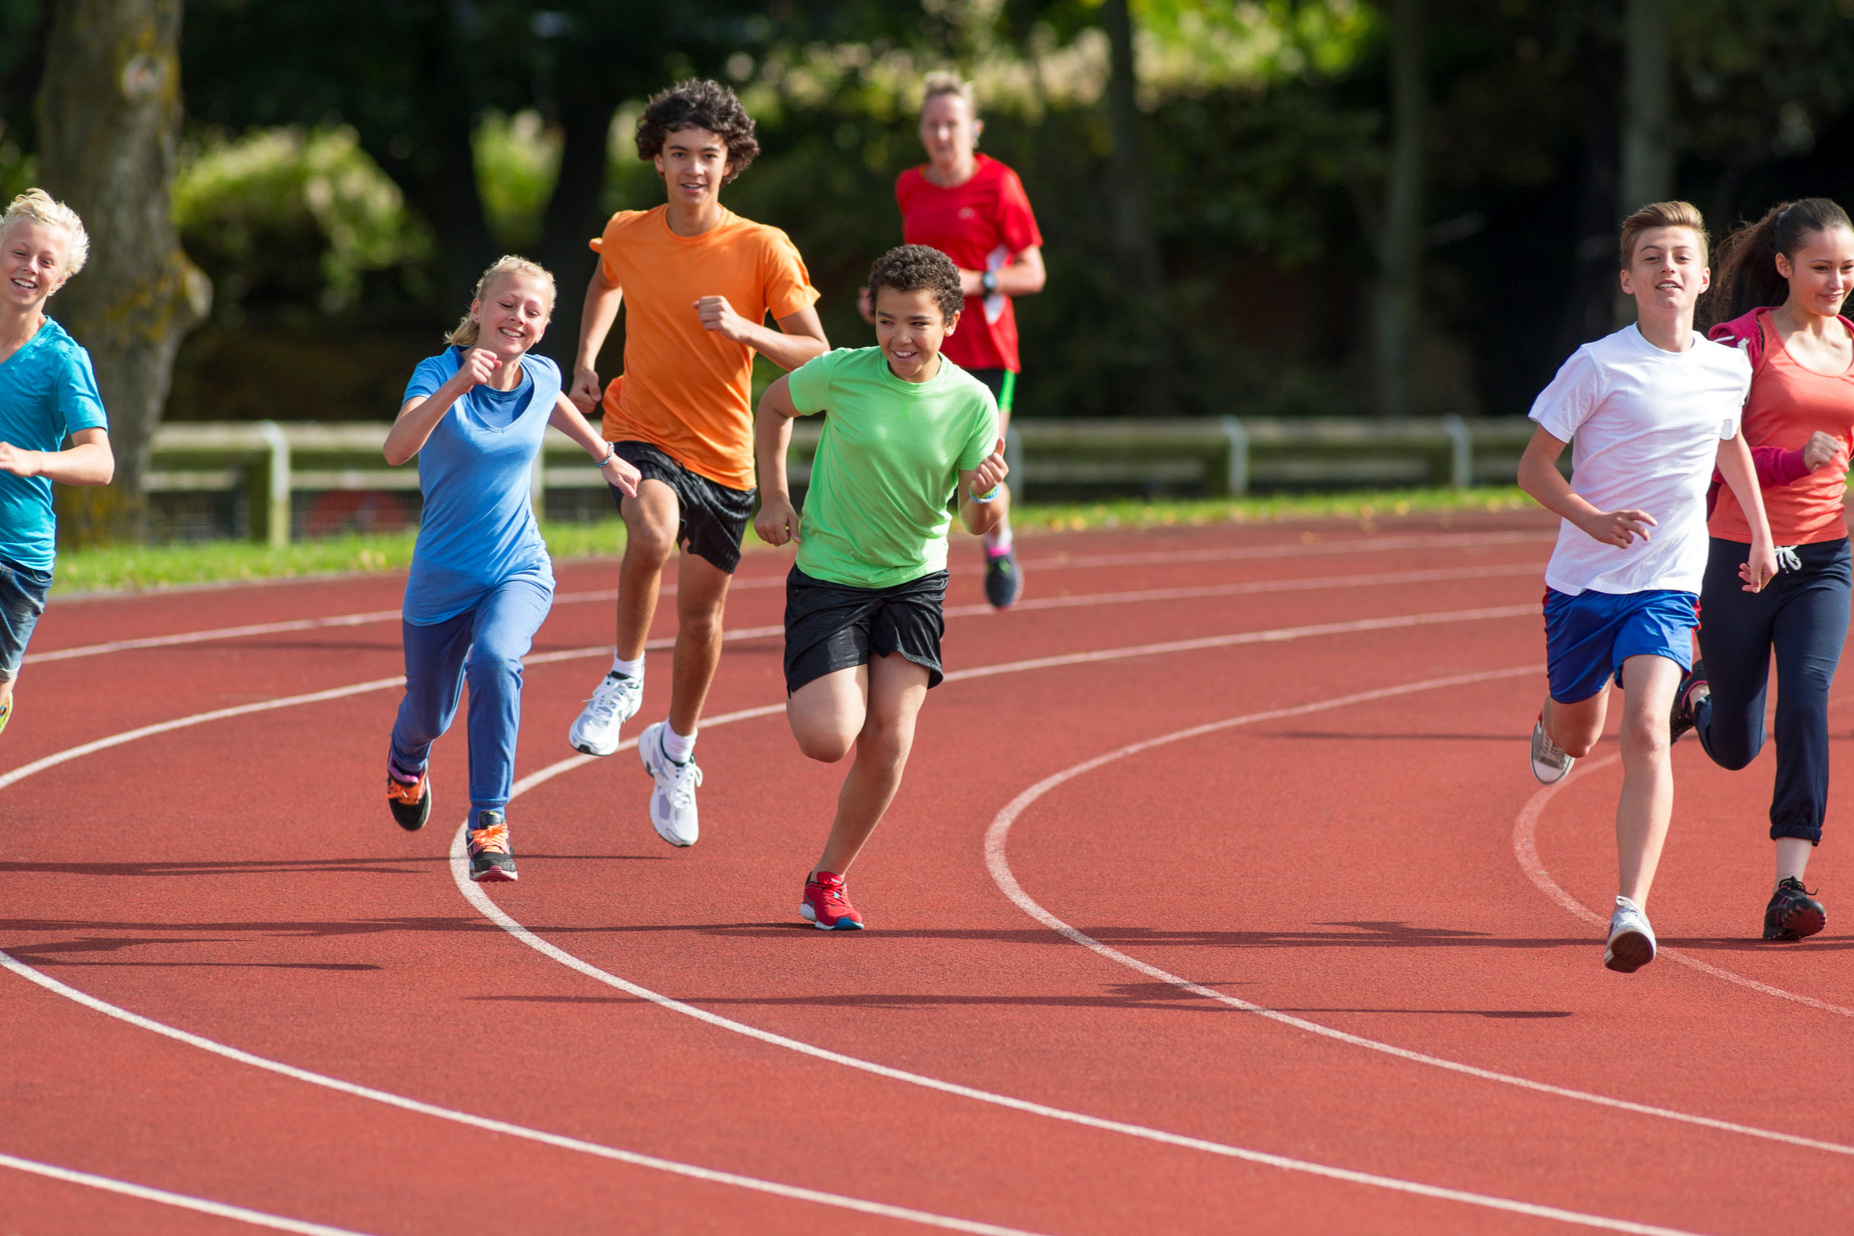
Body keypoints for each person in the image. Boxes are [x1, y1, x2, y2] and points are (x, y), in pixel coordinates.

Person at [566, 78, 828, 849]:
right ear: (657, 159)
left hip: (726, 455)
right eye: (678, 154)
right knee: (649, 530)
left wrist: (748, 329)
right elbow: (604, 279)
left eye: (707, 156)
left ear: (730, 163)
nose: (692, 170)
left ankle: (675, 751)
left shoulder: (761, 247)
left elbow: (817, 350)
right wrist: (585, 357)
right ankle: (622, 678)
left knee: (702, 617)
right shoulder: (629, 231)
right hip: (643, 428)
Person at [1519, 200, 1777, 973]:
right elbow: (1535, 468)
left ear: (1704, 277)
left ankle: (1630, 909)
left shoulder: (1728, 366)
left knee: (1644, 729)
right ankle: (1551, 721)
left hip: (1665, 582)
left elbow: (1729, 445)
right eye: (1652, 258)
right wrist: (1591, 519)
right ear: (1629, 279)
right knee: (1579, 734)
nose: (1668, 268)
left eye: (1681, 257)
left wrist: (1762, 534)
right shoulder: (1596, 365)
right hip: (1581, 584)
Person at [755, 244, 1008, 930]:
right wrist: (774, 496)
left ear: (950, 322)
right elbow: (774, 408)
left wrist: (988, 497)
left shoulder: (972, 402)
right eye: (888, 321)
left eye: (918, 323)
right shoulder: (841, 373)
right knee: (829, 738)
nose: (901, 338)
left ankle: (827, 879)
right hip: (831, 576)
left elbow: (978, 521)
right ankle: (835, 684)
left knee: (890, 739)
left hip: (913, 582)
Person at [383, 256, 642, 883]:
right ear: (477, 309)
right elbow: (396, 450)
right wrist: (456, 387)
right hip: (443, 577)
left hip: (517, 566)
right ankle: (405, 758)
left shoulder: (542, 374)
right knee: (430, 714)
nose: (516, 318)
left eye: (533, 311)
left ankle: (488, 823)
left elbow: (553, 401)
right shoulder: (437, 371)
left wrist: (605, 455)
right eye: (506, 304)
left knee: (497, 658)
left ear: (544, 326)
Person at [1670, 197, 1854, 941]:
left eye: (1848, 267)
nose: (1838, 281)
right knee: (1736, 747)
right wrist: (1790, 459)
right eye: (1821, 267)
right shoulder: (1736, 345)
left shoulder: (1852, 347)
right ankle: (1699, 699)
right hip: (1739, 556)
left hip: (1823, 561)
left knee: (1808, 700)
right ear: (1783, 267)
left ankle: (1790, 885)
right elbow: (1714, 448)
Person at [864, 72, 1044, 609]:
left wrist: (977, 280)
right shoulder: (910, 186)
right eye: (933, 125)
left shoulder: (1000, 185)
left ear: (975, 129)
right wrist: (881, 299)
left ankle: (999, 542)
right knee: (918, 460)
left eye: (953, 125)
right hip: (922, 348)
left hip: (987, 350)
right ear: (922, 132)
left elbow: (1034, 273)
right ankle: (911, 579)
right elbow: (910, 269)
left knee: (979, 466)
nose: (943, 135)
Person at [0, 189, 113, 736]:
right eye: (20, 252)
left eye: (46, 261)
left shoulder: (63, 360)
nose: (30, 268)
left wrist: (31, 460)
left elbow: (101, 461)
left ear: (61, 279)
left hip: (16, 553)